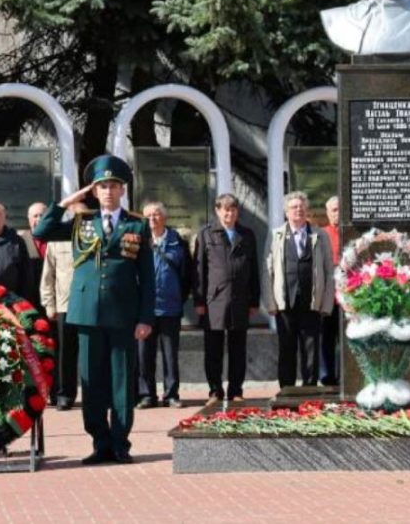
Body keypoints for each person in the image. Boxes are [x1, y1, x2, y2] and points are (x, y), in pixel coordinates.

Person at [33, 154, 155, 465]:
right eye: (102, 186)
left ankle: (120, 443)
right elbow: (41, 232)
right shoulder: (80, 221)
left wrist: (144, 318)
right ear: (94, 191)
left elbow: (148, 276)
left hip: (123, 313)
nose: (109, 191)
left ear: (122, 190)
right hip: (86, 312)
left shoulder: (137, 223)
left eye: (114, 186)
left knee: (122, 381)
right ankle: (99, 441)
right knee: (90, 379)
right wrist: (68, 201)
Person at [194, 194, 260, 403]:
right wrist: (199, 301)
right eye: (225, 209)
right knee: (213, 348)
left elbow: (254, 269)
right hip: (214, 300)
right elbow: (199, 269)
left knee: (238, 348)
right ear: (217, 210)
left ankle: (236, 390)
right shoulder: (206, 234)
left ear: (237, 212)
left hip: (240, 300)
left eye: (232, 210)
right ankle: (215, 390)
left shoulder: (247, 234)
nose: (229, 213)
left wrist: (254, 300)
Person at [265, 191, 334, 389]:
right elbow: (267, 270)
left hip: (311, 301)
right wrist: (271, 302)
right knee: (286, 348)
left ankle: (310, 390)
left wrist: (326, 303)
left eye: (302, 207)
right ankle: (286, 389)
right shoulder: (275, 235)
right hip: (284, 302)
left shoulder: (319, 235)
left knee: (311, 349)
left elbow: (329, 271)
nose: (298, 210)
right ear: (286, 212)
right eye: (294, 207)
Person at [135, 202, 191, 409]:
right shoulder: (138, 241)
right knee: (144, 355)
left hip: (170, 308)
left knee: (170, 354)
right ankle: (147, 395)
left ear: (164, 218)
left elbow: (187, 274)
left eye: (156, 215)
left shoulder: (177, 241)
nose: (152, 219)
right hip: (145, 309)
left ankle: (171, 394)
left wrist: (179, 297)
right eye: (148, 215)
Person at [40, 235, 79, 411]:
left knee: (92, 352)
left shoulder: (94, 233)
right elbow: (48, 274)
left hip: (91, 303)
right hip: (65, 304)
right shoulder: (56, 239)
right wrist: (49, 303)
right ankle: (65, 394)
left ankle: (95, 394)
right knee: (65, 353)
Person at [319, 195, 341, 387]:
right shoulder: (321, 234)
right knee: (326, 339)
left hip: (349, 299)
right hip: (327, 298)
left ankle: (345, 376)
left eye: (341, 209)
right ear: (327, 213)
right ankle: (327, 376)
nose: (337, 213)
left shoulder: (352, 234)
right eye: (334, 210)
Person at [19, 202, 48, 302]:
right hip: (28, 296)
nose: (39, 219)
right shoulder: (20, 240)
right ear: (29, 219)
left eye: (42, 215)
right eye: (35, 216)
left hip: (52, 295)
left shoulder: (57, 239)